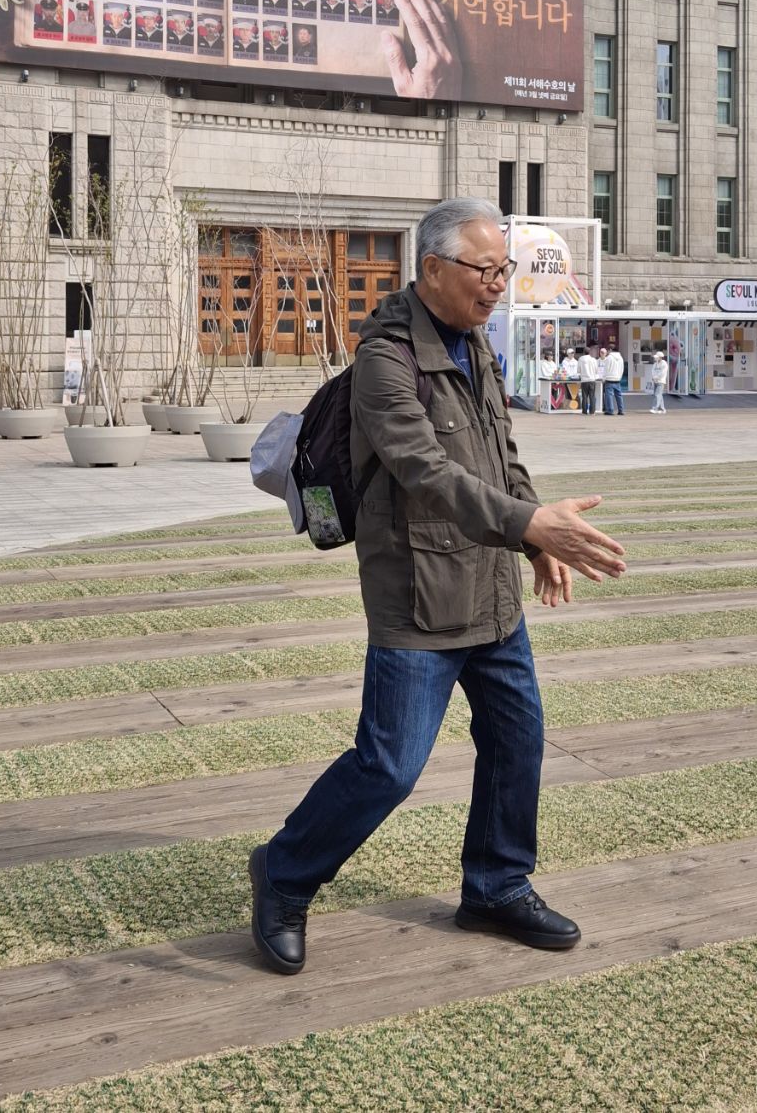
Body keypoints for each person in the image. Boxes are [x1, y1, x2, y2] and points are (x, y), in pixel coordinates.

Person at [248, 197, 627, 977]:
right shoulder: (385, 361)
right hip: (418, 597)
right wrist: (529, 524)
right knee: (388, 765)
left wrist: (534, 537)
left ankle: (496, 885)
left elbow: (500, 451)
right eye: (485, 269)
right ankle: (283, 874)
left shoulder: (475, 342)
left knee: (517, 738)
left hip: (491, 592)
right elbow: (427, 472)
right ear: (432, 269)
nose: (498, 284)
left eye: (504, 269)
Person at [603, 345, 626, 415]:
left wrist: (604, 378)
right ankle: (621, 410)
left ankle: (610, 410)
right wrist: (619, 377)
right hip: (617, 379)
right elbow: (622, 369)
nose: (607, 352)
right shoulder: (620, 358)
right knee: (619, 395)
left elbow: (606, 369)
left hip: (609, 379)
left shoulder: (609, 358)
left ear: (610, 350)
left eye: (607, 350)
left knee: (609, 395)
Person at [578, 347, 599, 415]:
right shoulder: (593, 359)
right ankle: (592, 412)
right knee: (592, 396)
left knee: (584, 396)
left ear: (583, 352)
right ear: (590, 352)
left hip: (584, 380)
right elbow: (596, 370)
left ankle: (584, 411)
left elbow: (578, 370)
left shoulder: (581, 359)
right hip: (592, 380)